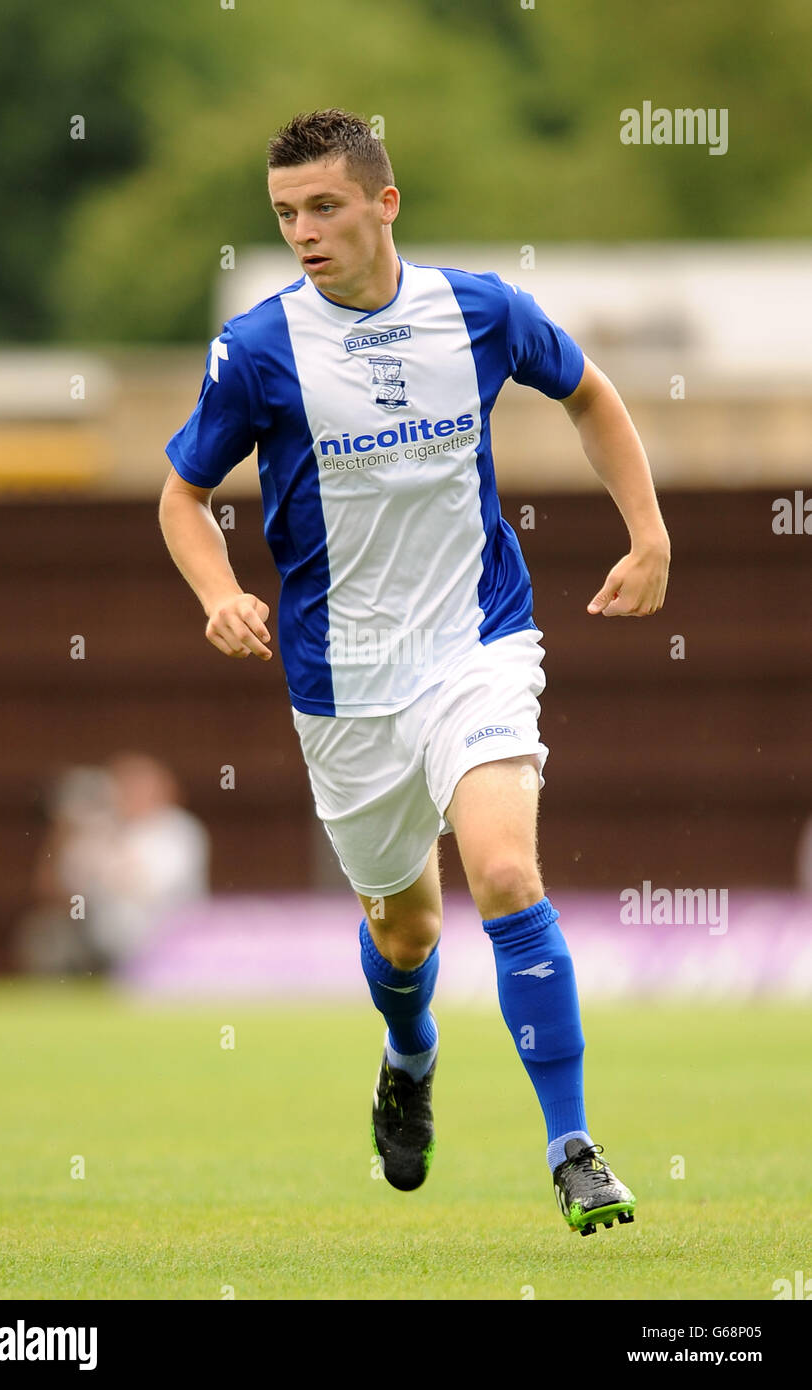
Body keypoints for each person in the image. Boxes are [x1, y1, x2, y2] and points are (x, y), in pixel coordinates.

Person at [159, 108, 670, 1236]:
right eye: (285, 213)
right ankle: (407, 1052)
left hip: (475, 645)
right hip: (341, 684)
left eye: (325, 207)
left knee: (503, 878)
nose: (303, 231)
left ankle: (571, 1145)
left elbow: (587, 390)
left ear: (383, 204)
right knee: (406, 931)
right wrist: (218, 594)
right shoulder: (255, 351)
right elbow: (182, 496)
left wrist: (646, 532)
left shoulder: (476, 309)